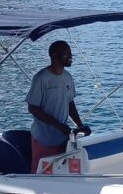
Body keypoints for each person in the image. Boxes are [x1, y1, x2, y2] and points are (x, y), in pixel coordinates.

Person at [25, 40, 91, 173]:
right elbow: (32, 108)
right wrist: (58, 125)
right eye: (66, 53)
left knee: (60, 172)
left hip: (62, 139)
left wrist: (80, 125)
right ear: (54, 55)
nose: (70, 56)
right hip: (43, 139)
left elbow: (70, 103)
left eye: (70, 52)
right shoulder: (41, 78)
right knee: (40, 174)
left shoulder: (68, 77)